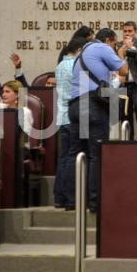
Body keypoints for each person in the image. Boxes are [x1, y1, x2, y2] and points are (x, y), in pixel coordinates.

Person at [62, 28, 128, 211]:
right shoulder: (103, 48)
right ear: (108, 40)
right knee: (95, 154)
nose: (114, 47)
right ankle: (94, 202)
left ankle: (71, 200)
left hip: (75, 106)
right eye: (115, 44)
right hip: (92, 107)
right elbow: (124, 70)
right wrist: (121, 54)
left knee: (74, 153)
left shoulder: (81, 52)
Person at [52, 37, 87, 209]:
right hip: (73, 115)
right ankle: (70, 196)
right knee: (72, 158)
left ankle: (59, 196)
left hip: (63, 115)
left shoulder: (60, 65)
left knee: (64, 158)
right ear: (79, 50)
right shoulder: (76, 65)